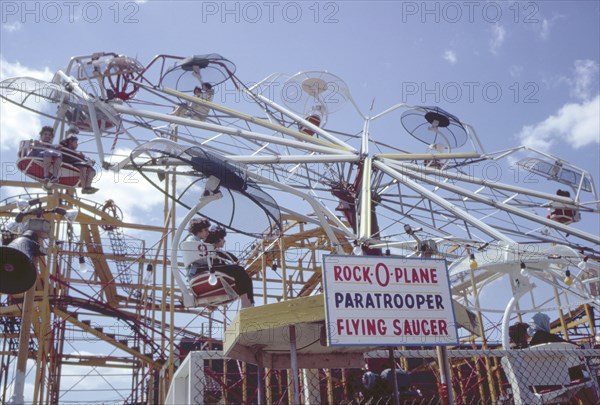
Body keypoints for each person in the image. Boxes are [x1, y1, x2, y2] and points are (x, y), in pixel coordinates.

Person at [205, 226, 254, 308]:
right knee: (239, 271)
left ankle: (250, 301)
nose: (224, 241)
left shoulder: (214, 250)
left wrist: (234, 259)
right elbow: (222, 254)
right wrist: (234, 261)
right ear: (218, 239)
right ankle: (246, 301)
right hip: (214, 270)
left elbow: (224, 254)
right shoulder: (209, 249)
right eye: (223, 238)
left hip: (216, 268)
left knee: (245, 277)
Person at [59, 128, 98, 194]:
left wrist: (84, 158)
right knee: (83, 167)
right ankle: (84, 187)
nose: (77, 144)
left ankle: (88, 186)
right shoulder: (65, 147)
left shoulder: (75, 153)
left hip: (76, 163)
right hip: (68, 163)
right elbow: (62, 146)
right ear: (70, 142)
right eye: (75, 142)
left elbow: (79, 160)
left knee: (92, 171)